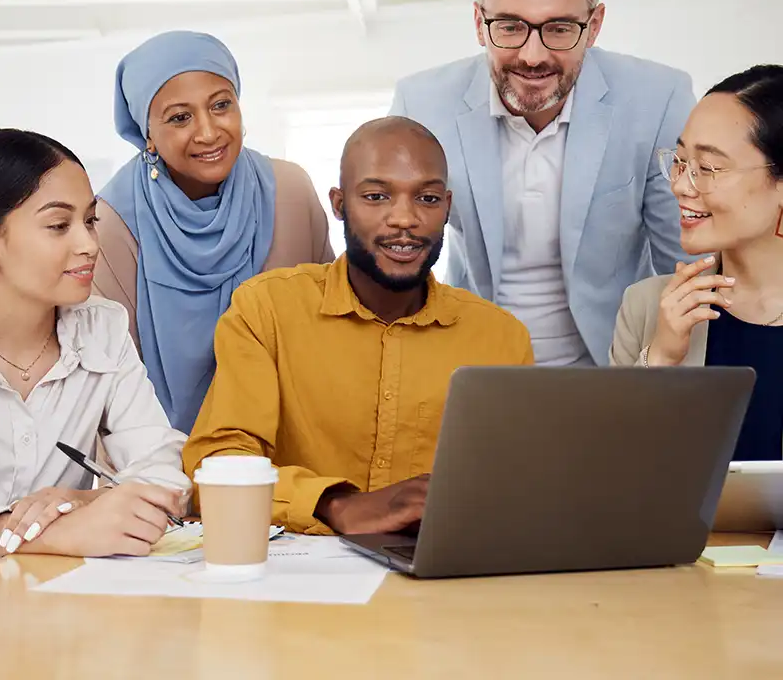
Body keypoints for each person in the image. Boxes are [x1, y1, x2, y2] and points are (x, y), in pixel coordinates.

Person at [183, 116, 533, 535]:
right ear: (339, 203)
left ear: (447, 207)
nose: (404, 218)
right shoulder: (267, 310)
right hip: (298, 575)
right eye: (376, 196)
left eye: (427, 198)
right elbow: (219, 464)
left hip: (444, 577)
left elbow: (518, 486)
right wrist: (335, 503)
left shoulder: (501, 338)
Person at [390, 0, 695, 367]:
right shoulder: (422, 104)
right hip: (475, 367)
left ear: (594, 27)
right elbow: (398, 253)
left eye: (558, 29)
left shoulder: (657, 100)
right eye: (510, 27)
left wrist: (659, 376)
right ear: (479, 23)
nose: (532, 56)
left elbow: (685, 271)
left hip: (614, 367)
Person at [94, 30, 334, 434]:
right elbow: (109, 374)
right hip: (158, 458)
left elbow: (328, 328)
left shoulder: (290, 191)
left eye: (221, 105)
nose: (208, 132)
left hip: (291, 449)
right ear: (147, 134)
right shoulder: (111, 222)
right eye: (180, 117)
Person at [0, 129, 188, 561]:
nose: (89, 244)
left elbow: (165, 477)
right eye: (59, 225)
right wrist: (23, 533)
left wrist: (83, 502)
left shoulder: (102, 329)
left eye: (90, 220)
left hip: (65, 605)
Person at [610, 65, 783, 460]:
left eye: (707, 168)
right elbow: (613, 473)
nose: (680, 185)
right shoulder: (646, 307)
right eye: (679, 159)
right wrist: (661, 360)